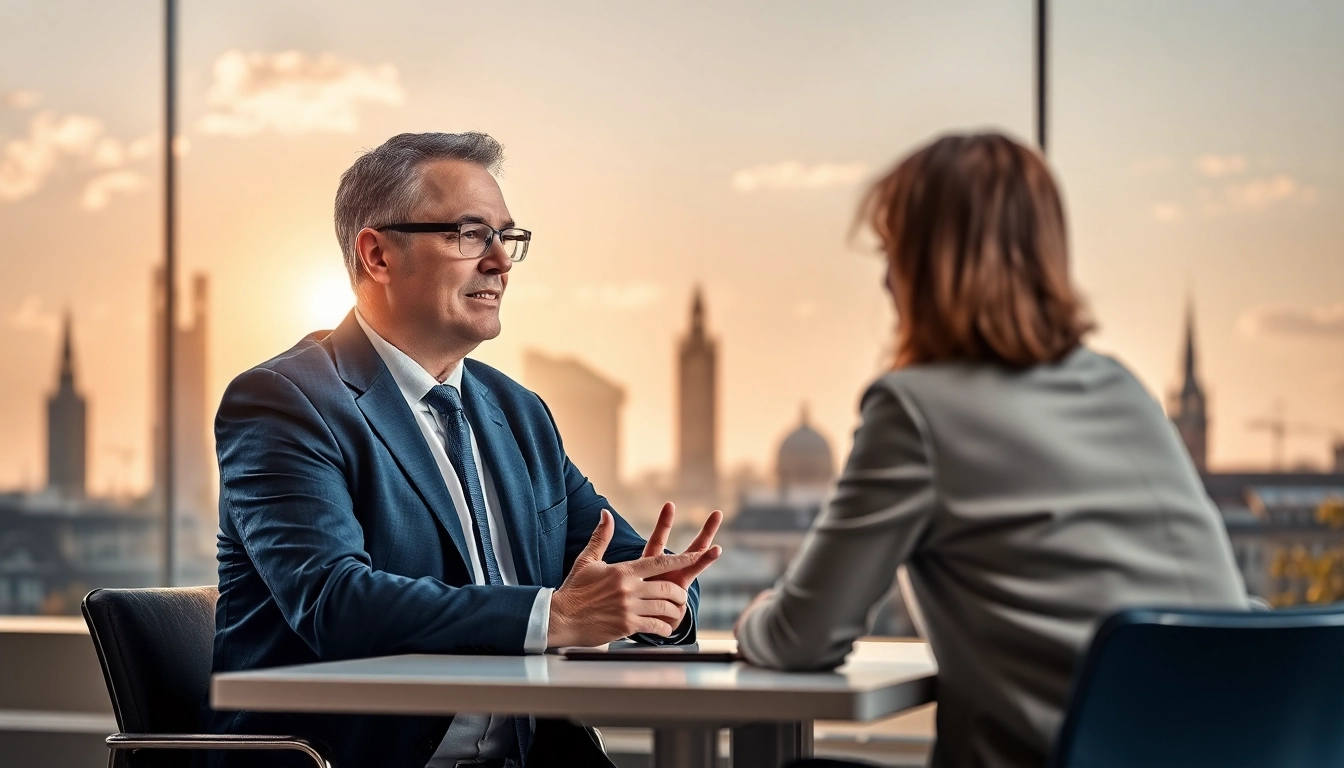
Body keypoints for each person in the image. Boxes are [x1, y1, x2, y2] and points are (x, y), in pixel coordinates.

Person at [202, 131, 722, 768]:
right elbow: (336, 603)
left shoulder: (518, 413)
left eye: (508, 238)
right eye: (470, 234)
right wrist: (551, 618)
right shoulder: (284, 402)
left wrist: (661, 598)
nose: (500, 262)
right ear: (378, 255)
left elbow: (626, 567)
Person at [734, 132, 1248, 768]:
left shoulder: (914, 409)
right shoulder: (1122, 388)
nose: (887, 282)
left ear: (930, 267)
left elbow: (798, 638)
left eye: (895, 253)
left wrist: (754, 616)